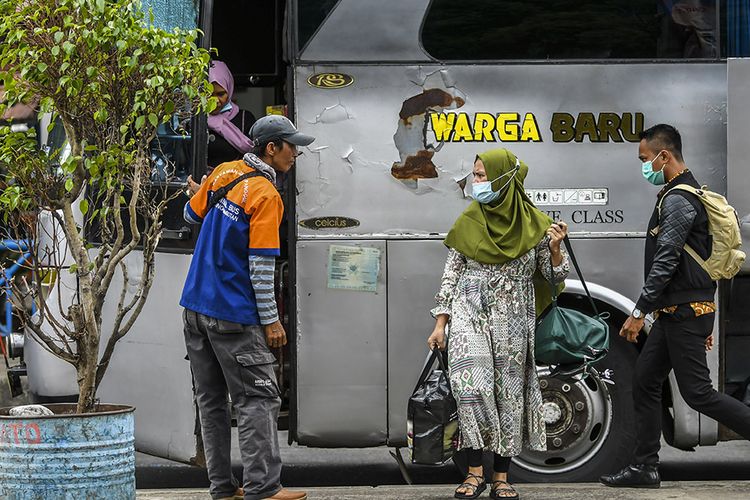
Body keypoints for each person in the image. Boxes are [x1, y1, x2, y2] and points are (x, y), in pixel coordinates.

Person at [600, 124, 750, 489]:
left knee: (698, 393)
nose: (643, 166)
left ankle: (644, 466)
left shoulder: (680, 198)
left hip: (683, 313)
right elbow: (691, 262)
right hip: (677, 314)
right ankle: (645, 467)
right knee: (645, 380)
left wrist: (638, 311)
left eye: (644, 158)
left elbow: (667, 260)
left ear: (663, 156)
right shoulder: (674, 194)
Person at [180, 115, 313, 500]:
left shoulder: (223, 174)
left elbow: (191, 214)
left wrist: (199, 191)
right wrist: (271, 321)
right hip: (233, 315)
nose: (296, 153)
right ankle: (263, 488)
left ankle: (222, 489)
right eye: (291, 146)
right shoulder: (267, 196)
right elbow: (260, 266)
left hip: (194, 309)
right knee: (257, 399)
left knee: (212, 403)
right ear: (271, 148)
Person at [427, 148, 569, 500]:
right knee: (472, 391)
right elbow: (451, 274)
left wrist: (555, 249)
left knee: (509, 395)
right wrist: (440, 323)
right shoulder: (468, 222)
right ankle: (475, 473)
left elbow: (553, 277)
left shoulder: (536, 224)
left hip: (515, 317)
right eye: (475, 175)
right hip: (469, 311)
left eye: (480, 176)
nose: (475, 183)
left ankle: (502, 477)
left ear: (504, 178)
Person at [187, 60, 257, 195]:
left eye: (220, 94)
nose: (215, 101)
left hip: (236, 193)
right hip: (198, 191)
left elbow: (254, 157)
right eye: (208, 95)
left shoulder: (245, 119)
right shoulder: (193, 120)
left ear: (229, 90)